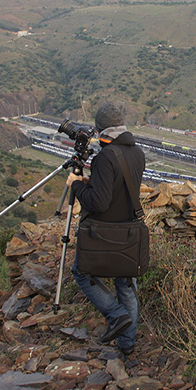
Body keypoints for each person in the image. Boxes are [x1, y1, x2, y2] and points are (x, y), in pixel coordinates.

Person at [66, 102, 146, 353]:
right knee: (126, 287)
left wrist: (77, 185)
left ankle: (115, 315)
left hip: (106, 233)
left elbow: (98, 202)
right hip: (130, 232)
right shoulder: (137, 153)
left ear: (101, 130)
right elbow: (119, 188)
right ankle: (127, 346)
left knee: (81, 272)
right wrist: (94, 181)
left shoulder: (104, 158)